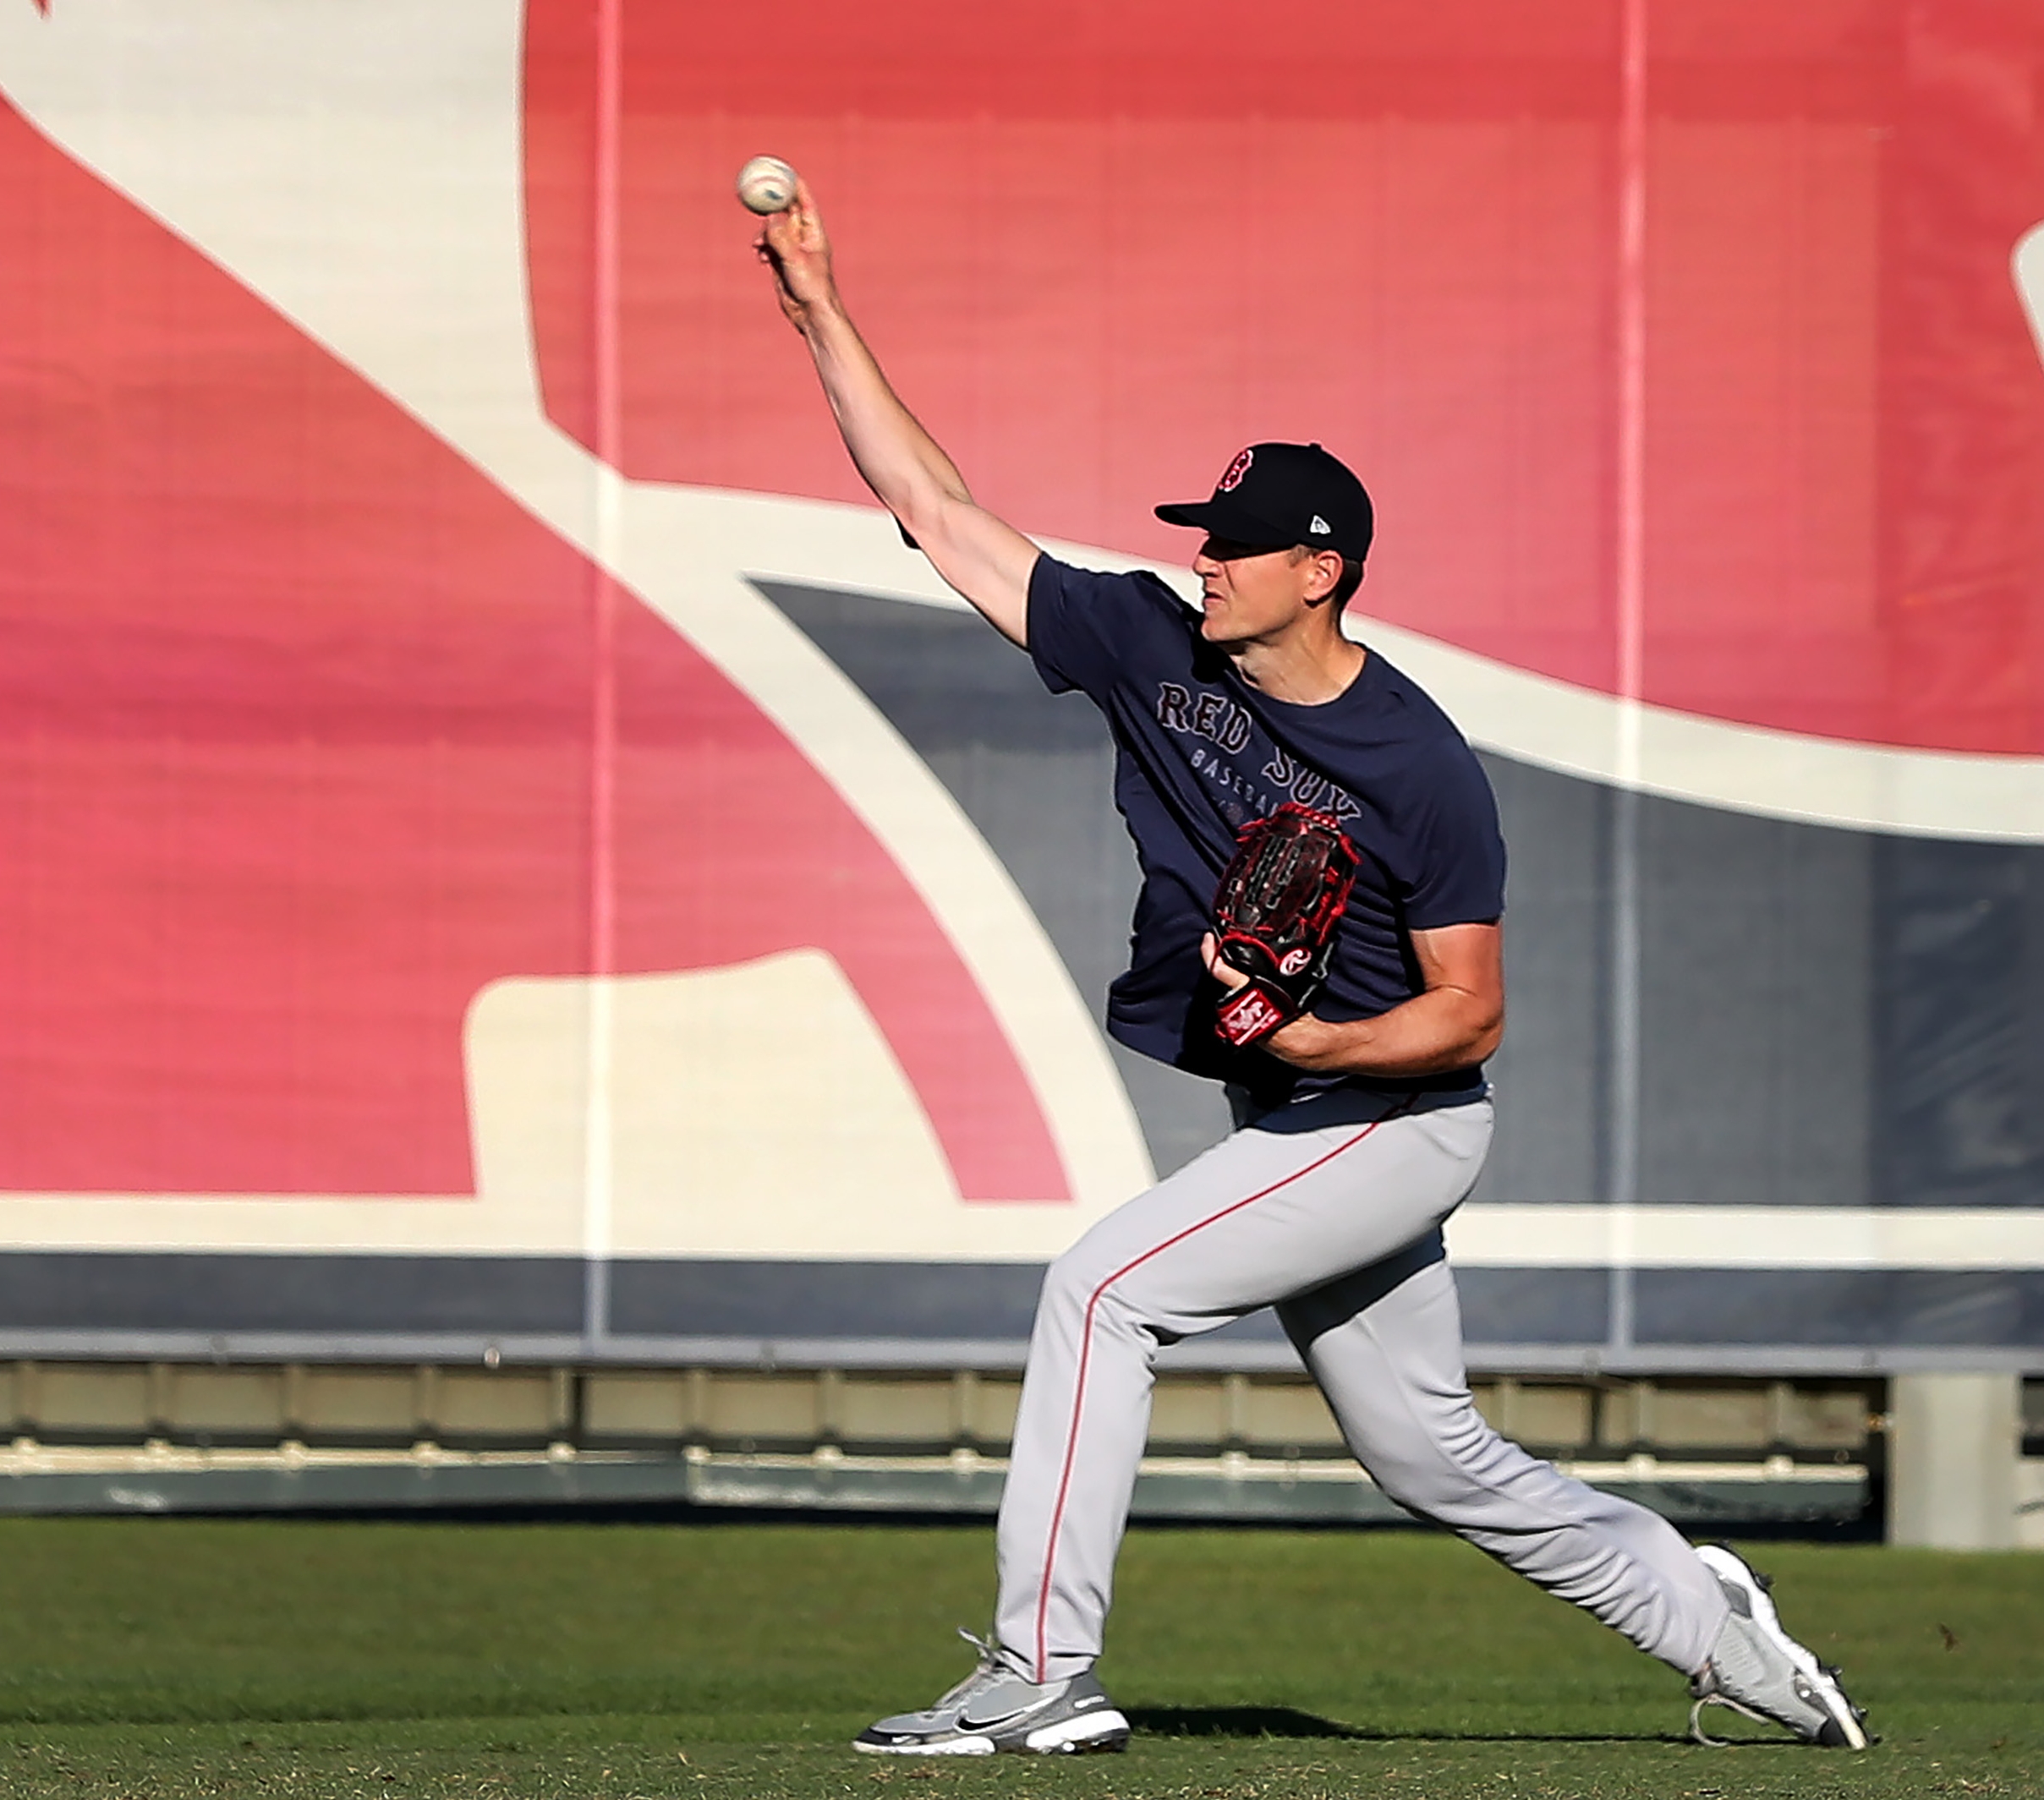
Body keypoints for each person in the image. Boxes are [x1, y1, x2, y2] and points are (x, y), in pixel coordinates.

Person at [755, 177, 1868, 1759]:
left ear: (1320, 568)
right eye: (1204, 541)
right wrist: (821, 314)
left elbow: (1473, 1009)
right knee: (1429, 1454)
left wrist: (1320, 1044)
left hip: (1395, 1117)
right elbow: (938, 513)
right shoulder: (1148, 646)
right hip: (1298, 1117)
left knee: (1102, 1293)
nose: (1205, 563)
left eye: (1236, 548)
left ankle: (1036, 1673)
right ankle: (1713, 1623)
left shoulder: (1418, 763)